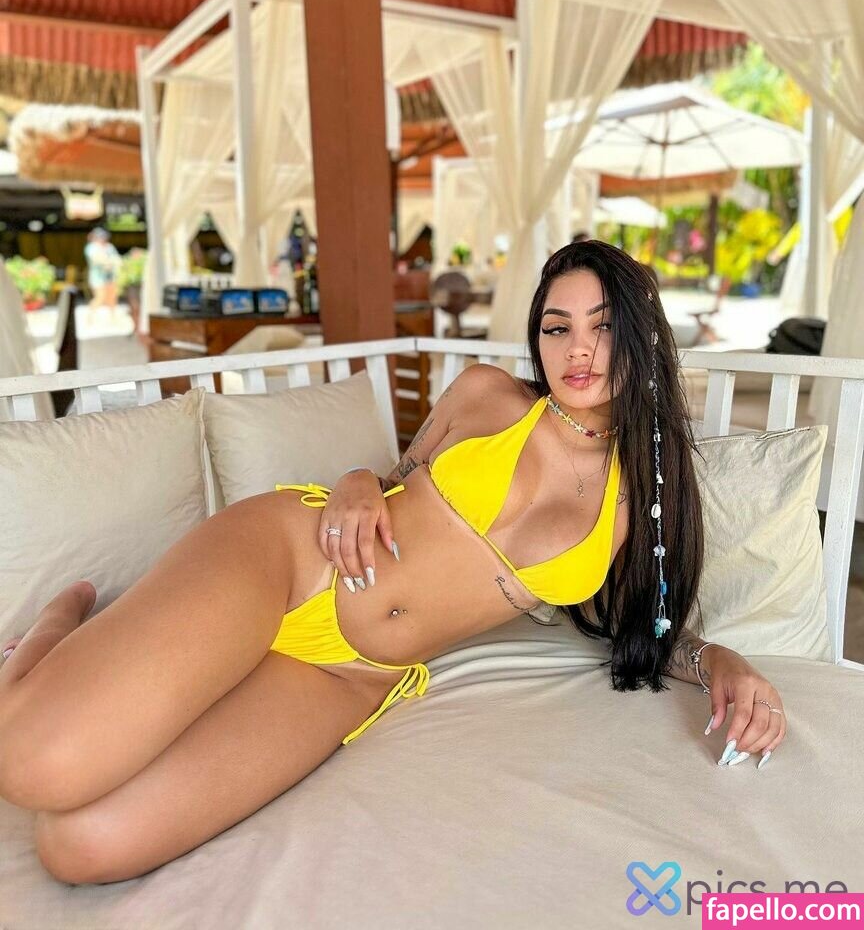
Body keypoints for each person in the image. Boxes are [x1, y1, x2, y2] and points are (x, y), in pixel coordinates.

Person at [0, 240, 786, 885]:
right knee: (33, 765)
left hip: (352, 674)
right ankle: (52, 635)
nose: (577, 349)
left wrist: (720, 660)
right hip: (292, 561)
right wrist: (352, 482)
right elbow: (391, 480)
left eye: (603, 326)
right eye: (556, 327)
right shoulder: (487, 396)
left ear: (641, 335)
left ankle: (92, 656)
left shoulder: (639, 502)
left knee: (80, 848)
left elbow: (643, 629)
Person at [83, 227, 121, 321]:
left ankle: (113, 317)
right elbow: (97, 259)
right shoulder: (91, 247)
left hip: (111, 276)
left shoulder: (109, 247)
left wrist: (110, 263)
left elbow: (117, 259)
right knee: (100, 297)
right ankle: (90, 316)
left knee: (112, 297)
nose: (102, 239)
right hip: (98, 277)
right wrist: (108, 262)